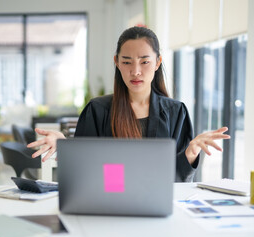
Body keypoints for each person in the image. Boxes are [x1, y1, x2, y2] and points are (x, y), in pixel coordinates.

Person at [27, 26, 230, 182]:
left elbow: (176, 183)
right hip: (109, 205)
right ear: (116, 62)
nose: (135, 71)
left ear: (158, 62)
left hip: (157, 212)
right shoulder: (97, 110)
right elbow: (84, 173)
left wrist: (190, 153)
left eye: (144, 61)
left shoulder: (176, 112)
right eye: (126, 62)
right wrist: (66, 146)